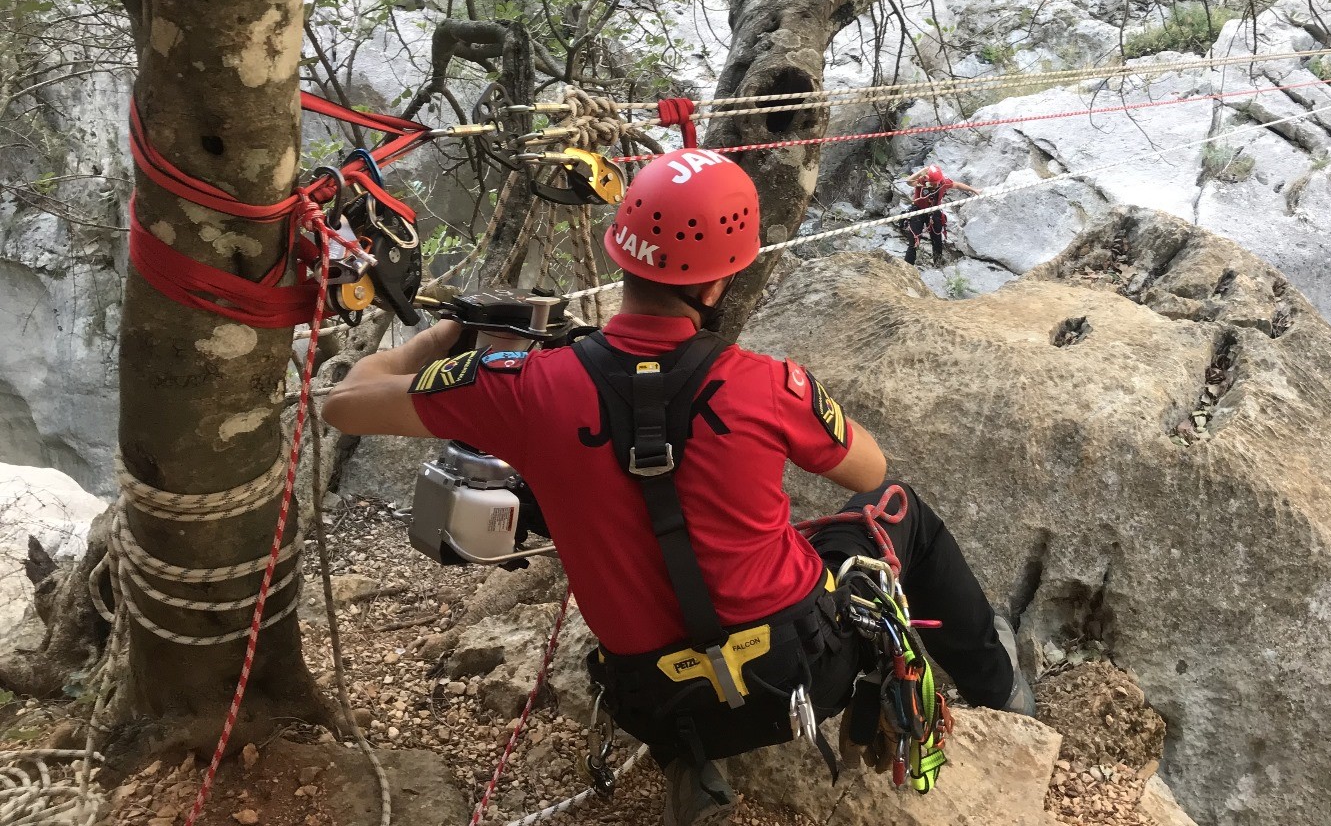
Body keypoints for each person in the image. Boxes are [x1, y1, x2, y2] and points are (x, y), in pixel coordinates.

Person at [322, 148, 1031, 825]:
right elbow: (870, 471)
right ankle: (1003, 696)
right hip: (798, 673)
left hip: (650, 696)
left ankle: (696, 751)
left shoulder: (524, 388)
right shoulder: (767, 385)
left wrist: (444, 335)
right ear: (720, 280)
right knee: (903, 511)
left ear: (619, 250)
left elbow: (345, 401)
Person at [897, 165, 977, 266]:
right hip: (918, 211)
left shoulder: (943, 182)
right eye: (933, 183)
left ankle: (937, 263)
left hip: (934, 211)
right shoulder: (922, 181)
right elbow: (909, 182)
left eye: (936, 183)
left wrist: (973, 190)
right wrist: (922, 171)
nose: (935, 185)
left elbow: (957, 185)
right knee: (914, 240)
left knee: (937, 239)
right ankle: (908, 267)